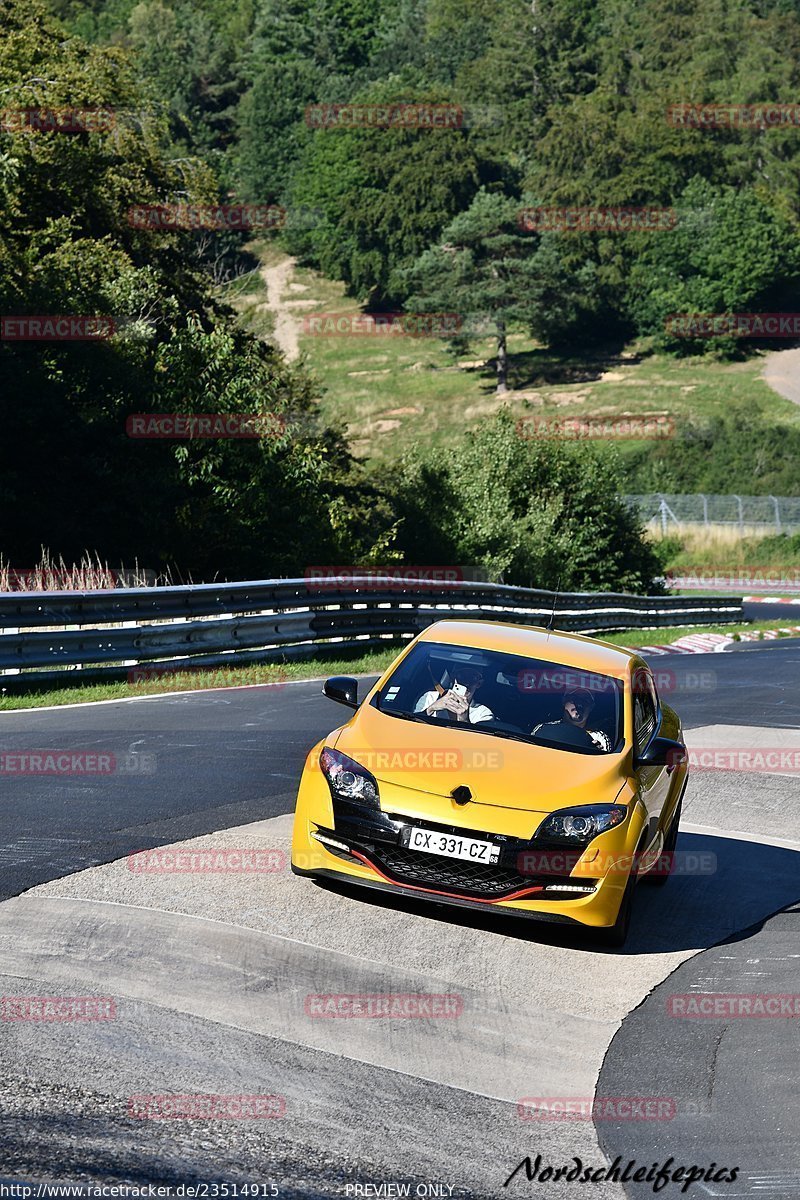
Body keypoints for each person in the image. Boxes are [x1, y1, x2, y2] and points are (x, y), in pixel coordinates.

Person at [531, 687, 611, 751]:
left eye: (585, 700)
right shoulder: (544, 729)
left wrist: (597, 754)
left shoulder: (599, 738)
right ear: (564, 701)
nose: (579, 704)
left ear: (591, 707)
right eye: (574, 698)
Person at [414, 665, 494, 725]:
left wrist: (464, 720)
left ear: (479, 684)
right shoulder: (430, 697)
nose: (466, 682)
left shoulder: (483, 713)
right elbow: (412, 725)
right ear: (453, 678)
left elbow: (479, 743)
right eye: (462, 676)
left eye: (472, 678)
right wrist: (431, 709)